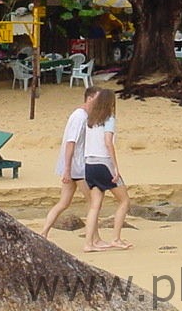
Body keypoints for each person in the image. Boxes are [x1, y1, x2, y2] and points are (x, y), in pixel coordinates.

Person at [40, 86, 105, 242]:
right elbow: (71, 143)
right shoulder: (80, 117)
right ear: (89, 99)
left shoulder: (84, 116)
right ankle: (95, 239)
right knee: (92, 203)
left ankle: (43, 233)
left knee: (64, 202)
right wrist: (68, 169)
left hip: (74, 166)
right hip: (78, 167)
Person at [83, 88, 131, 252]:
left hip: (89, 164)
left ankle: (89, 243)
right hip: (104, 164)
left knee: (95, 205)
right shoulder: (109, 119)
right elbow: (108, 142)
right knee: (124, 200)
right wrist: (116, 167)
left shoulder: (90, 120)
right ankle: (116, 238)